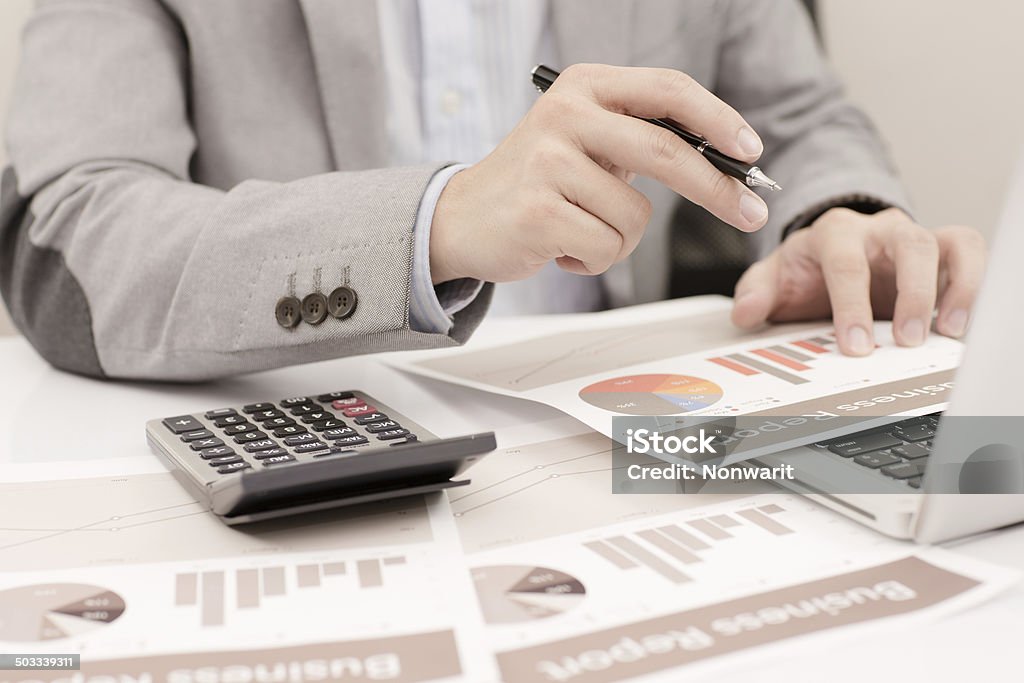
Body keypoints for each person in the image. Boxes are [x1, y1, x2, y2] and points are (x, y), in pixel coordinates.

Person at [0, 0, 985, 381]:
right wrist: (432, 224)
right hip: (292, 425)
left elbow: (803, 116)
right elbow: (69, 237)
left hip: (611, 421)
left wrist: (837, 214)